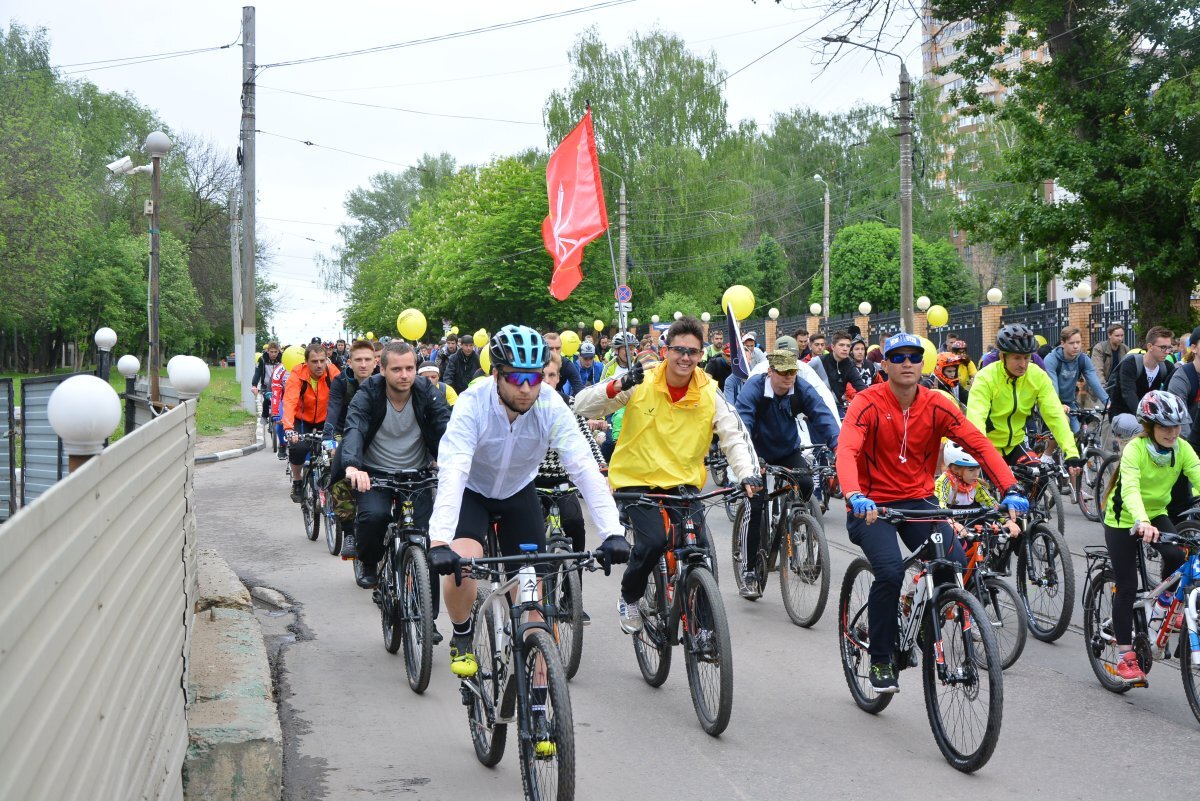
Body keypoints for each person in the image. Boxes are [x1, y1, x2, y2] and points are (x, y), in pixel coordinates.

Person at [423, 326, 629, 678]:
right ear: (495, 374)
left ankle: (541, 717)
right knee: (464, 565)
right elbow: (454, 471)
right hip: (473, 492)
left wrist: (612, 532)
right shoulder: (473, 405)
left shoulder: (550, 404)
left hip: (519, 492)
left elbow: (582, 467)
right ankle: (461, 633)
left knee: (534, 608)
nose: (525, 387)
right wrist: (440, 539)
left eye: (533, 378)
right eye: (515, 377)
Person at [837, 332, 1026, 692]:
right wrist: (853, 493)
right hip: (871, 505)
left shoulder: (936, 404)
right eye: (898, 356)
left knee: (953, 562)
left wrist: (1010, 487)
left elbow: (979, 443)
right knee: (890, 571)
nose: (907, 362)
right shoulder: (867, 402)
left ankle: (926, 622)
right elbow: (846, 450)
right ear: (886, 364)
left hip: (917, 501)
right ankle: (880, 658)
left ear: (922, 364)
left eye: (913, 356)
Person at [574, 316, 761, 633]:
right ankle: (630, 595)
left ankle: (703, 628)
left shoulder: (709, 392)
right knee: (653, 542)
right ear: (666, 351)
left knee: (699, 550)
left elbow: (733, 436)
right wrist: (619, 383)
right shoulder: (641, 382)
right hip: (636, 480)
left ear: (701, 355)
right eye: (679, 350)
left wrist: (747, 475)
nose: (685, 357)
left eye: (693, 351)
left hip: (682, 482)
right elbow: (582, 405)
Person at [338, 341, 451, 591]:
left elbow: (445, 425)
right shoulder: (368, 392)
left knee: (426, 541)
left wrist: (450, 458)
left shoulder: (426, 391)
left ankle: (428, 622)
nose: (405, 375)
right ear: (383, 370)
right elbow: (354, 427)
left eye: (410, 368)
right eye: (397, 369)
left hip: (417, 475)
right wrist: (353, 467)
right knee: (374, 518)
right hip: (375, 474)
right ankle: (368, 562)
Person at [1101, 390, 1198, 685]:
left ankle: (1162, 606)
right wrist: (1141, 521)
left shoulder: (1181, 449)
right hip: (1123, 519)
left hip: (1155, 513)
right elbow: (1129, 488)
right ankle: (1125, 656)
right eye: (1165, 427)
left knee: (1177, 556)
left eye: (1176, 426)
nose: (1172, 433)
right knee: (1128, 585)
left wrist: (1150, 519)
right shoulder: (1136, 449)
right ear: (1149, 426)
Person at [735, 349, 839, 597]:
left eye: (792, 371)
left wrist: (839, 447)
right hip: (755, 452)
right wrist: (750, 461)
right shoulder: (754, 390)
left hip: (786, 450)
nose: (788, 377)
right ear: (770, 371)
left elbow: (823, 415)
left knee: (805, 484)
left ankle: (795, 528)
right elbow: (742, 423)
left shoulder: (800, 388)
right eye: (783, 372)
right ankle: (749, 572)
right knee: (756, 501)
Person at [537, 352, 609, 621]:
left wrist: (603, 470)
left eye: (552, 375)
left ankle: (570, 597)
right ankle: (532, 601)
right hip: (530, 483)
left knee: (575, 526)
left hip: (561, 482)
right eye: (541, 375)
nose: (547, 381)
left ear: (559, 377)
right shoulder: (523, 405)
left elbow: (587, 442)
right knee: (531, 540)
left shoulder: (569, 405)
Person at [966, 323, 1080, 467]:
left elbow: (1055, 414)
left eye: (1027, 357)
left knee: (1040, 477)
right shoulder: (986, 377)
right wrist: (982, 452)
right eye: (1017, 358)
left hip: (1016, 444)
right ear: (1002, 356)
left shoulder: (1037, 375)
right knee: (993, 484)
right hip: (988, 447)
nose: (1023, 364)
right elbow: (976, 418)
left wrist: (1071, 452)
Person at [321, 339, 378, 558]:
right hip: (347, 432)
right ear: (350, 363)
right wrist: (328, 437)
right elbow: (334, 408)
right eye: (358, 360)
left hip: (378, 436)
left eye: (367, 360)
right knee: (338, 475)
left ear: (375, 362)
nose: (363, 364)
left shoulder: (383, 381)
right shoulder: (341, 381)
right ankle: (348, 533)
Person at [282, 343, 342, 502]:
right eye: (314, 361)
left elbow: (343, 399)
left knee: (335, 452)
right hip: (303, 421)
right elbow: (289, 401)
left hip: (326, 420)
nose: (319, 365)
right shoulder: (297, 374)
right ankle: (297, 480)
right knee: (299, 448)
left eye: (322, 360)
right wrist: (289, 429)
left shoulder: (333, 373)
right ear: (306, 362)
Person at [935, 442, 1021, 540]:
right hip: (947, 526)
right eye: (971, 470)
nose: (976, 474)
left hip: (968, 527)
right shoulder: (943, 482)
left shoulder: (976, 484)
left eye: (978, 468)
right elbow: (938, 505)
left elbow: (991, 503)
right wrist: (951, 522)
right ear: (955, 469)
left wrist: (1007, 521)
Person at [1107, 326, 1176, 441]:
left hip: (1151, 417)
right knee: (1142, 429)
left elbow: (1173, 391)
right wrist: (1147, 420)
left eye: (1169, 347)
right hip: (1122, 414)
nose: (1167, 352)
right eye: (1163, 347)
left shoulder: (1166, 367)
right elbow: (1128, 394)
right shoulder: (1131, 364)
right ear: (1150, 346)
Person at [1043, 326, 1110, 431]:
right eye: (1071, 343)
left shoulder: (1082, 359)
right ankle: (1049, 448)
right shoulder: (1051, 359)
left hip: (1070, 403)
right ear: (1063, 343)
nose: (1076, 346)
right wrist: (1058, 405)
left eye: (1078, 342)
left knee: (1077, 434)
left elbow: (1094, 382)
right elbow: (1052, 386)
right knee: (1060, 431)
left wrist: (1107, 402)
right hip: (1051, 402)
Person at [1168, 325, 1200, 450]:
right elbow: (1179, 416)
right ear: (1194, 348)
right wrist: (1191, 449)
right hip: (1186, 441)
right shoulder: (1182, 377)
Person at [821, 330, 868, 414]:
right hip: (818, 405)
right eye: (841, 345)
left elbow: (861, 387)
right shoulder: (819, 361)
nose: (845, 349)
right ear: (833, 347)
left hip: (837, 406)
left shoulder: (849, 365)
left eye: (848, 346)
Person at [543, 331, 583, 399]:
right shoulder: (534, 364)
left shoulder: (566, 364)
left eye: (558, 348)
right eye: (550, 348)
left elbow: (579, 389)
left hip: (557, 398)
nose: (555, 352)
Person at [250, 341, 282, 421]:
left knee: (281, 400)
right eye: (271, 352)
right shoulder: (262, 359)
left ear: (279, 351)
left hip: (279, 384)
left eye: (276, 352)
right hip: (266, 385)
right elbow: (257, 373)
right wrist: (254, 385)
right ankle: (264, 416)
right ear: (267, 351)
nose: (274, 354)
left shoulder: (282, 359)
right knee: (267, 400)